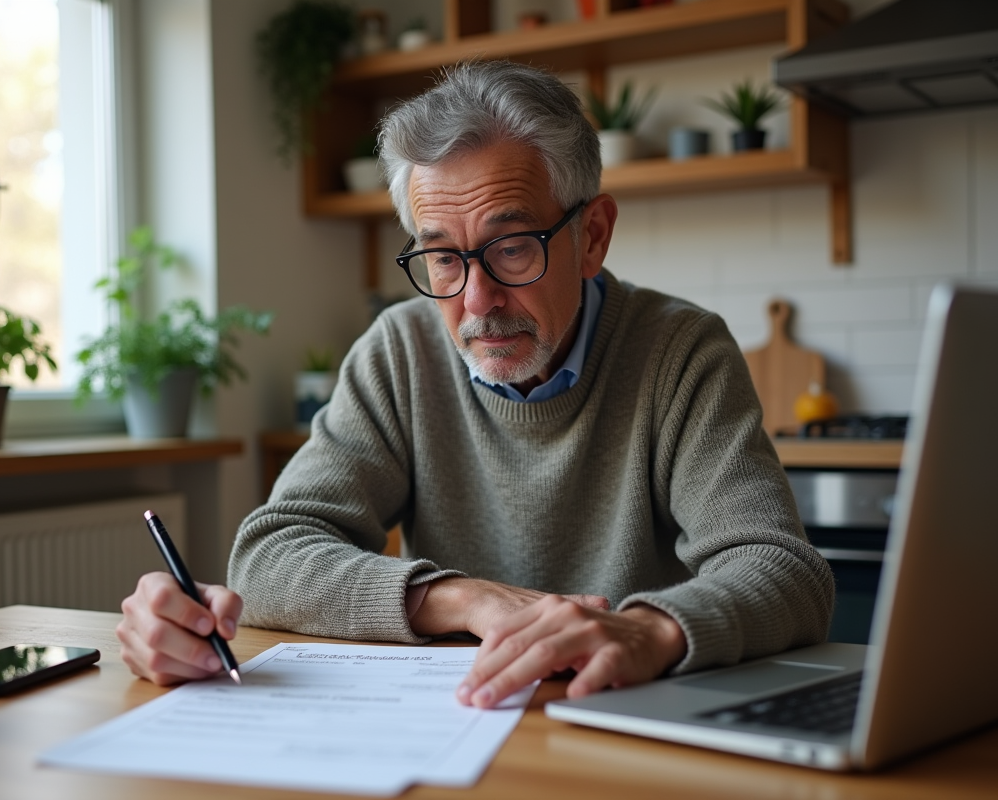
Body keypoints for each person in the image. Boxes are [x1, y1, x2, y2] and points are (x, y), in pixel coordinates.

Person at [116, 61, 834, 708]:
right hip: (460, 717)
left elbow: (783, 571)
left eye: (512, 247)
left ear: (593, 236)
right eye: (442, 259)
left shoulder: (681, 352)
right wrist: (459, 599)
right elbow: (271, 555)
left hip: (619, 717)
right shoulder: (400, 349)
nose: (477, 300)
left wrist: (647, 630)